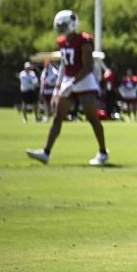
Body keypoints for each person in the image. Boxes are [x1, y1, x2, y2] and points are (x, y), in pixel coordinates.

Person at [26, 10, 109, 165]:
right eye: (60, 26)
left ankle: (103, 152)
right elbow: (64, 64)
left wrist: (71, 83)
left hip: (84, 83)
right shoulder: (62, 42)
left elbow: (88, 67)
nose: (62, 28)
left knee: (92, 118)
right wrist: (59, 87)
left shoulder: (84, 40)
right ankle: (46, 152)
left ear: (72, 24)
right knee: (58, 118)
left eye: (64, 25)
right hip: (69, 83)